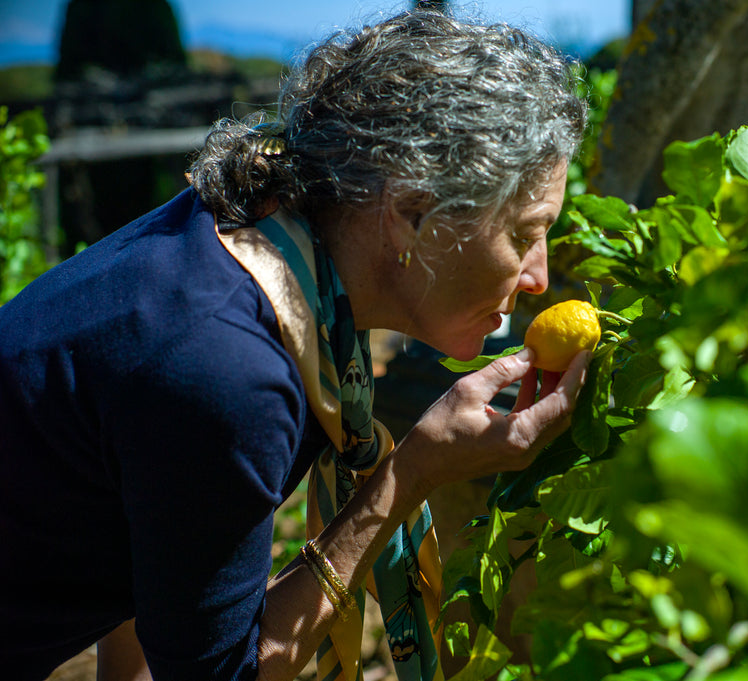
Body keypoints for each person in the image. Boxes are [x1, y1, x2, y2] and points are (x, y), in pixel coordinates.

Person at [0, 10, 589, 681]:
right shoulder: (231, 370)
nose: (539, 276)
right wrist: (414, 470)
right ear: (409, 213)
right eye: (524, 232)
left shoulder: (248, 226)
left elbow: (156, 555)